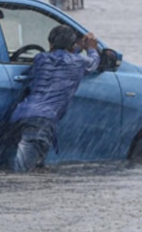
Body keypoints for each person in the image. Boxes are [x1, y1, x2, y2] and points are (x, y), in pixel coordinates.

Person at [9, 25, 101, 173]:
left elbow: (60, 58)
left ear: (50, 44)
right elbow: (94, 62)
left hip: (22, 114)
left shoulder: (41, 59)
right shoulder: (78, 62)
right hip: (43, 119)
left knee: (34, 169)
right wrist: (90, 48)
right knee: (21, 175)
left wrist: (76, 48)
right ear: (72, 46)